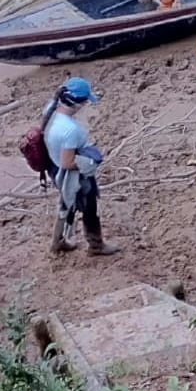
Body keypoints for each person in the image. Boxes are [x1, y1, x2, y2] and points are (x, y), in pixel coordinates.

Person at [43, 76, 119, 257]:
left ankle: (57, 242)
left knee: (64, 206)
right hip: (71, 175)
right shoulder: (71, 130)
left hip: (53, 168)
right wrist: (89, 161)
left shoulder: (50, 110)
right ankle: (96, 245)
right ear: (78, 103)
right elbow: (68, 162)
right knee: (89, 208)